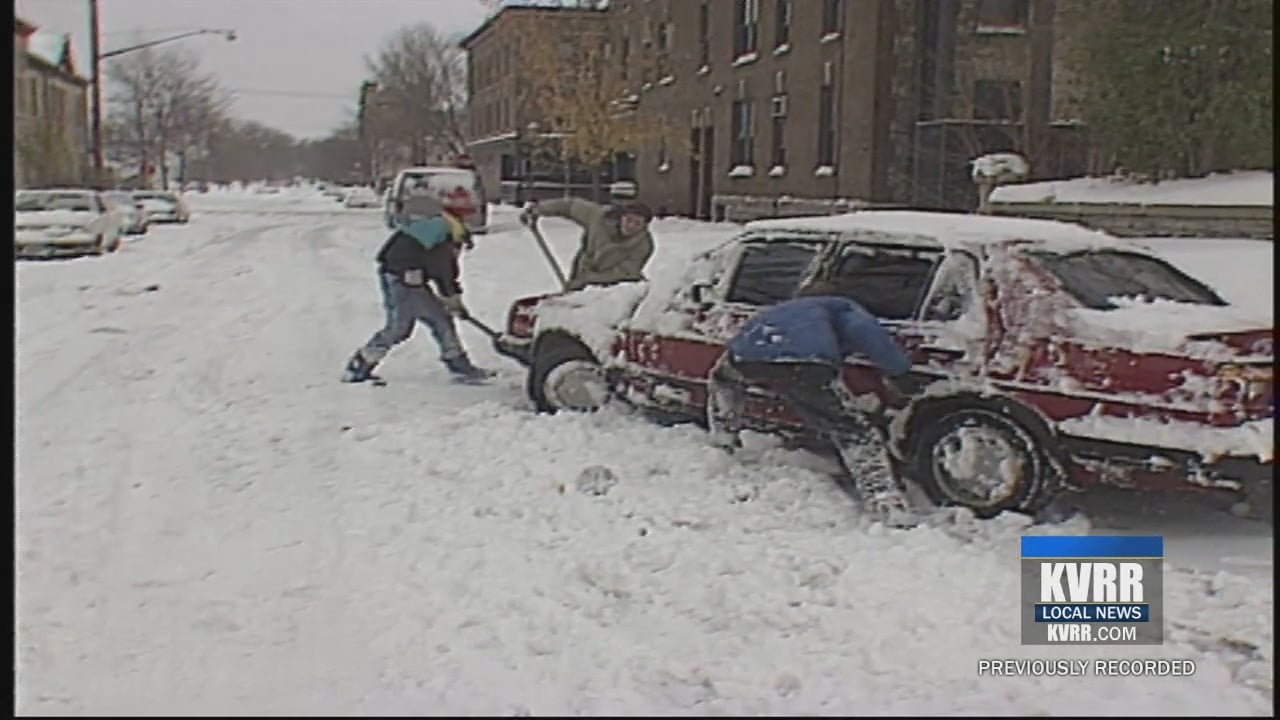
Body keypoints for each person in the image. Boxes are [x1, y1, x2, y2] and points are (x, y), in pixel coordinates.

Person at [705, 281, 925, 528]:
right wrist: (900, 373)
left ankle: (724, 437)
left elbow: (744, 334)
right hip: (806, 363)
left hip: (746, 354)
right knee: (854, 431)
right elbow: (868, 334)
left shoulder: (779, 309)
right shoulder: (843, 308)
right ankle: (886, 502)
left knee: (723, 380)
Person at [342, 195, 491, 384]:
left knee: (439, 319)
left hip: (403, 275)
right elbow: (443, 269)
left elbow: (439, 266)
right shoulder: (446, 231)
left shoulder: (441, 225)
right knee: (400, 328)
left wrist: (451, 297)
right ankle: (360, 364)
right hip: (403, 278)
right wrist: (452, 298)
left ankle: (457, 362)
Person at [518, 197, 655, 292]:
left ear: (644, 226)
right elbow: (570, 206)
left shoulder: (644, 245)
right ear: (621, 217)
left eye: (637, 223)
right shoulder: (599, 217)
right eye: (629, 220)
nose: (631, 226)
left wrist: (588, 280)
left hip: (616, 288)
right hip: (583, 271)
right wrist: (539, 209)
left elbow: (624, 273)